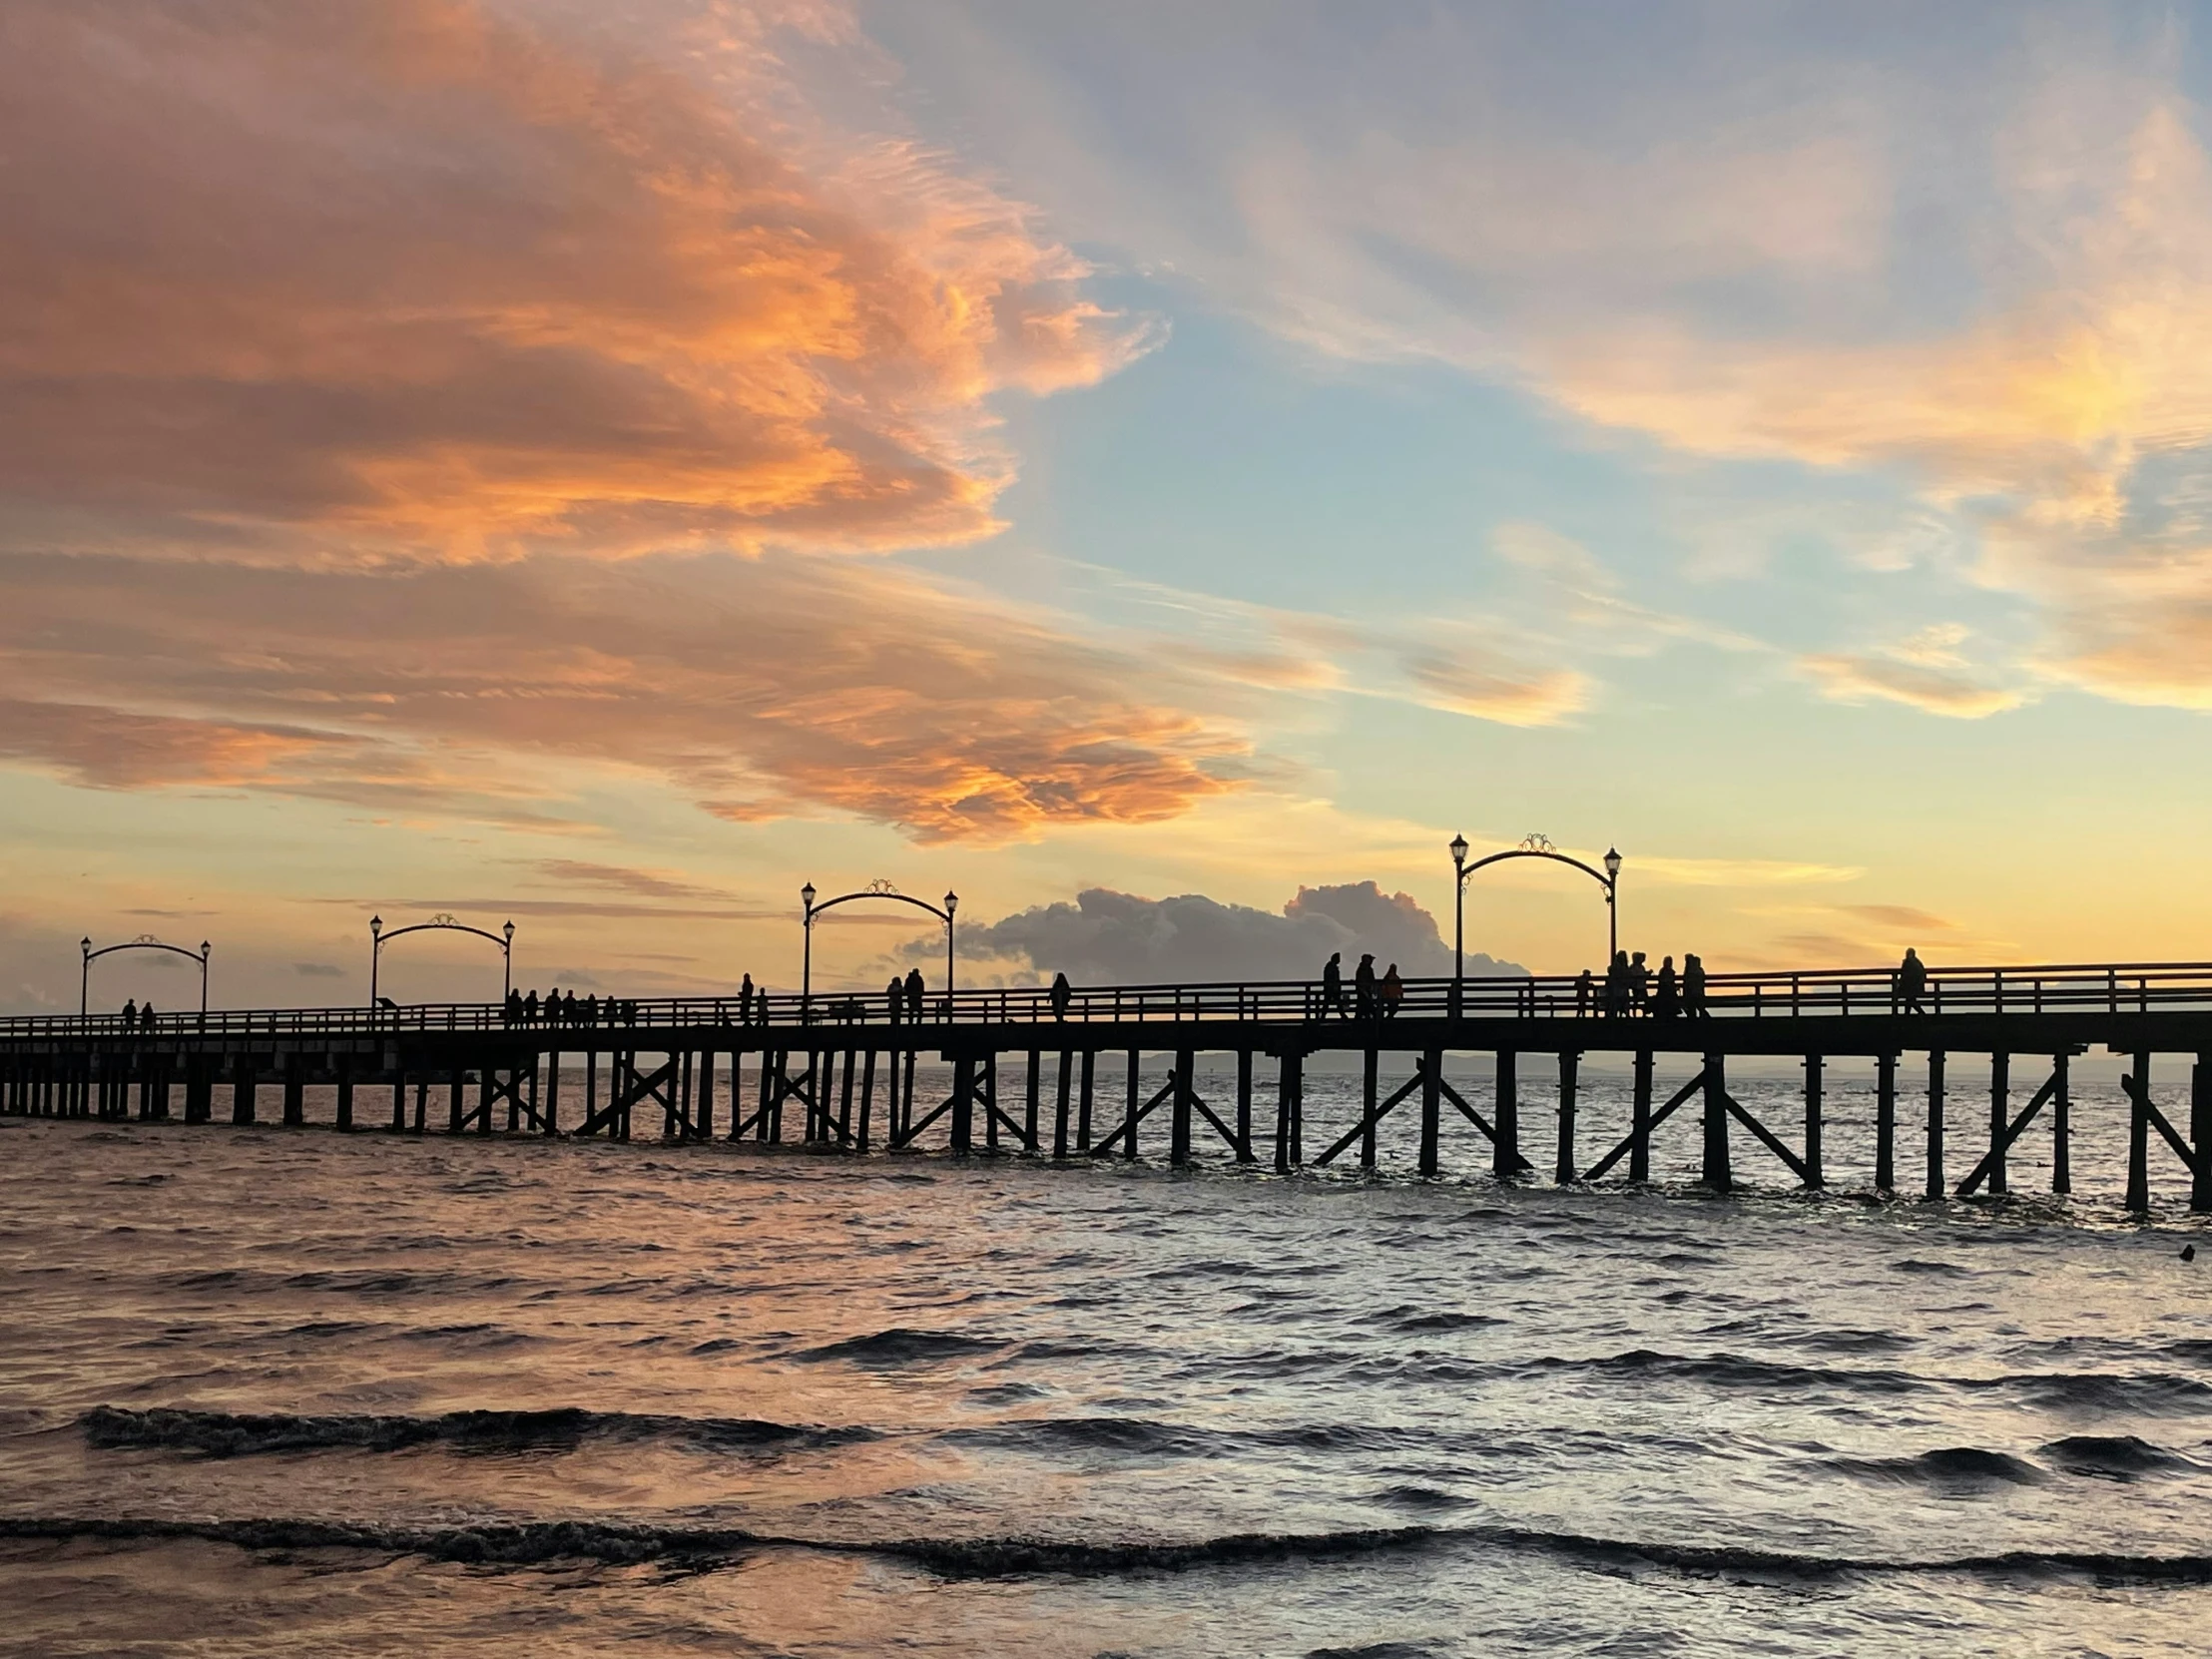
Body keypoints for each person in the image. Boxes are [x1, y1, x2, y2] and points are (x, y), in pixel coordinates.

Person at [1897, 946, 1928, 1015]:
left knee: (1909, 999)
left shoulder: (1908, 963)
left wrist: (1899, 983)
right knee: (1910, 1000)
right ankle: (1908, 1014)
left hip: (1911, 987)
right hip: (1915, 987)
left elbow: (1905, 975)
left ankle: (1921, 1013)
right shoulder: (1918, 962)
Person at [1683, 952, 1709, 1019]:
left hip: (1693, 994)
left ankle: (1694, 1018)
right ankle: (1702, 1017)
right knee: (1696, 1004)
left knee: (1692, 1003)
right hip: (1698, 993)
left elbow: (1687, 983)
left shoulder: (1690, 971)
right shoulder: (1699, 970)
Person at [1654, 955, 1679, 1020]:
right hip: (1664, 991)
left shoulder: (1667, 971)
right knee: (1669, 997)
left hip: (1667, 991)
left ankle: (1670, 1013)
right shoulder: (1665, 971)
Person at [1354, 952, 1378, 1019]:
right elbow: (1362, 982)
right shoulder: (1364, 970)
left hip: (1365, 991)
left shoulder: (1365, 969)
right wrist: (1365, 991)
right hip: (1363, 992)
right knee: (1366, 1008)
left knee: (1363, 1009)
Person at [1322, 951, 1346, 1019]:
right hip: (1331, 988)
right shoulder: (1331, 967)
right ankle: (1343, 1016)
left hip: (1331, 988)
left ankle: (1322, 1017)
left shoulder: (1330, 966)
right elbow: (1331, 978)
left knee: (1328, 1003)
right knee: (1336, 1003)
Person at [1629, 950, 1651, 1015]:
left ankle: (1645, 1013)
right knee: (1636, 1001)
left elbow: (1642, 974)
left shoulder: (1641, 967)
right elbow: (1637, 975)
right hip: (1636, 987)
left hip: (1642, 986)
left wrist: (1647, 973)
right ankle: (1634, 1014)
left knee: (1645, 1000)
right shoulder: (1633, 967)